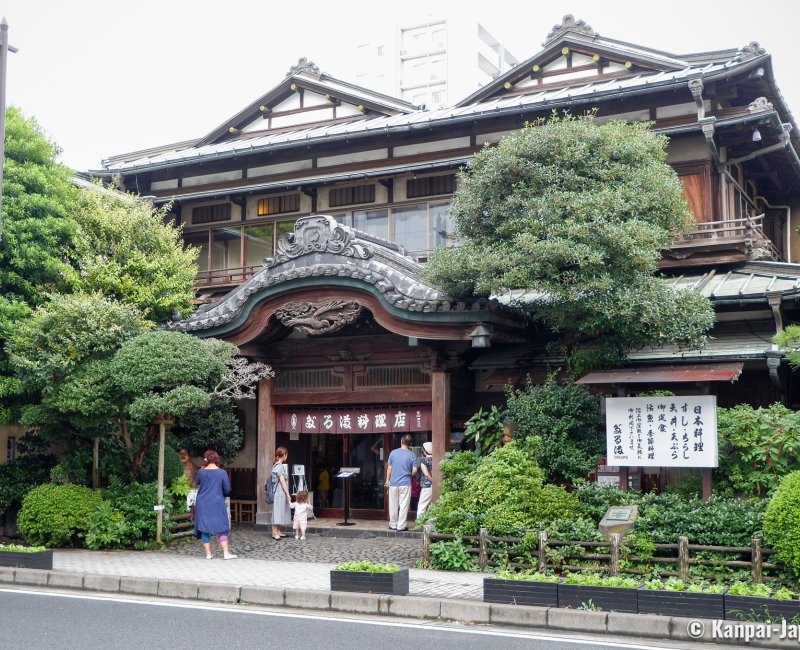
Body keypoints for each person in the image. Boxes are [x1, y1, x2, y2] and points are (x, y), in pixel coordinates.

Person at [194, 450, 237, 560]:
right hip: (217, 502)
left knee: (204, 527)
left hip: (202, 502)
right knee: (221, 527)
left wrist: (203, 467)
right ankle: (226, 553)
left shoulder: (201, 472)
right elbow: (227, 490)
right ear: (217, 459)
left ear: (206, 459)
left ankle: (208, 554)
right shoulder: (222, 473)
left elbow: (197, 482)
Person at [384, 434, 418, 531]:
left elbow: (389, 468)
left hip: (393, 483)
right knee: (404, 505)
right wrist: (409, 476)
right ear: (410, 444)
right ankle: (401, 526)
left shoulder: (393, 453)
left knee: (393, 504)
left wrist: (387, 481)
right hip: (405, 483)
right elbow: (415, 470)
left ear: (401, 442)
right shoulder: (412, 454)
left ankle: (393, 524)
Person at [271, 447, 292, 541]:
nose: (287, 456)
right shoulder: (279, 466)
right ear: (283, 455)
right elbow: (282, 481)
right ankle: (274, 532)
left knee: (279, 511)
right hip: (279, 492)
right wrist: (288, 493)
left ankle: (278, 531)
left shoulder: (277, 465)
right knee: (277, 511)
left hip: (280, 492)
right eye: (286, 455)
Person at [417, 441, 434, 520]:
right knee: (431, 505)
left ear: (425, 451)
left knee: (422, 505)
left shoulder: (424, 460)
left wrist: (433, 481)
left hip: (427, 485)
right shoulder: (437, 458)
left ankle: (419, 523)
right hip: (435, 486)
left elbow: (426, 474)